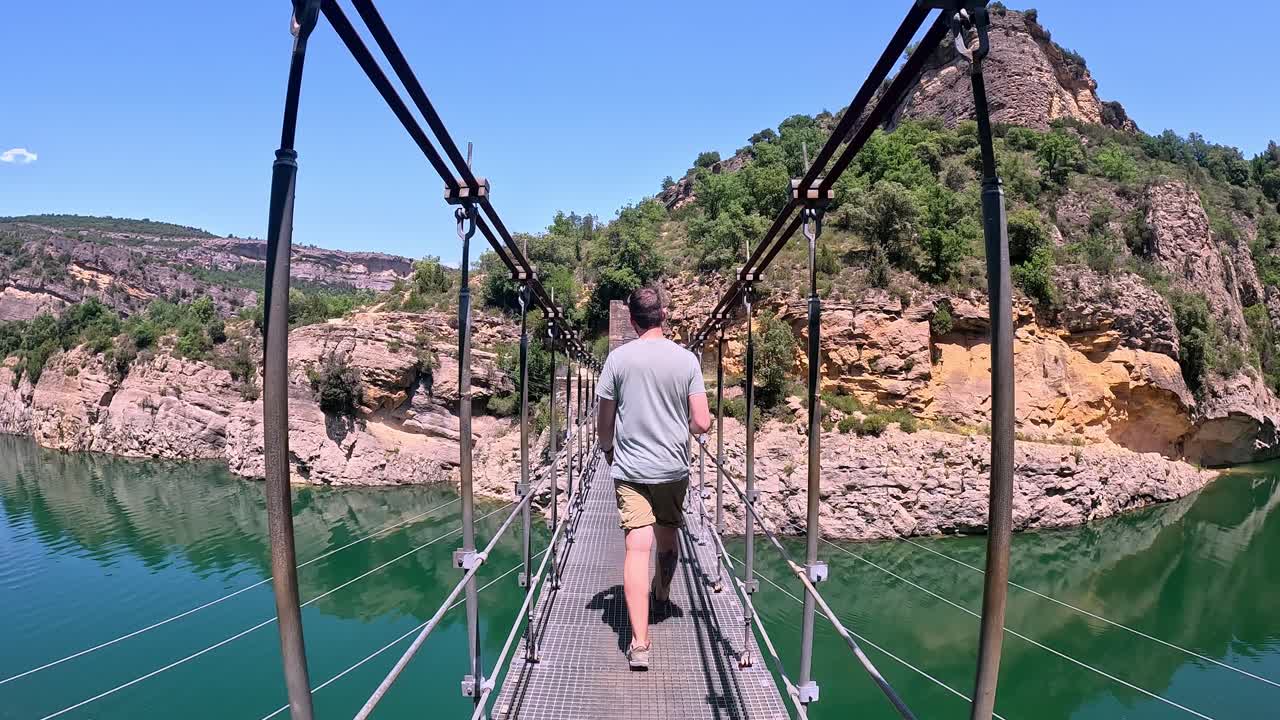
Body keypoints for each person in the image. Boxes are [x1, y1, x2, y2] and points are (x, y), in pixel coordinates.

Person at [595, 286, 712, 670]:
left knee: (636, 549)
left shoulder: (618, 359)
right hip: (672, 470)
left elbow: (605, 422)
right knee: (666, 539)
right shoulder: (687, 360)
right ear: (663, 315)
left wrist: (608, 449)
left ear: (631, 320)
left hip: (630, 471)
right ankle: (661, 594)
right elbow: (701, 421)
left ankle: (640, 644)